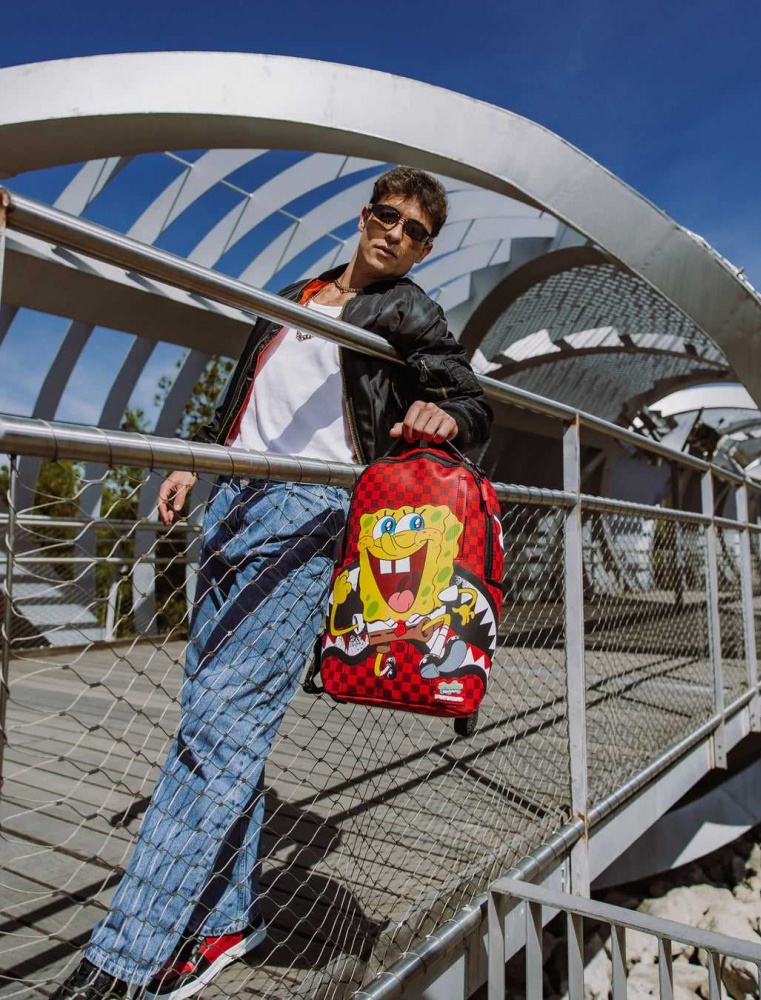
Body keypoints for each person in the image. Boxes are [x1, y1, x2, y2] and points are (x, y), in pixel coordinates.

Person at [52, 166, 492, 1000]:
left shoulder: (408, 310)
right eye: (385, 215)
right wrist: (197, 461)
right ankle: (224, 921)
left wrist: (444, 414)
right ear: (365, 215)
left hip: (312, 511)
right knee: (215, 724)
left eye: (415, 231)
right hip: (234, 501)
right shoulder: (295, 293)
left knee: (220, 730)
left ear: (425, 248)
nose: (395, 233)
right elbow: (244, 397)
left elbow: (468, 400)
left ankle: (124, 958)